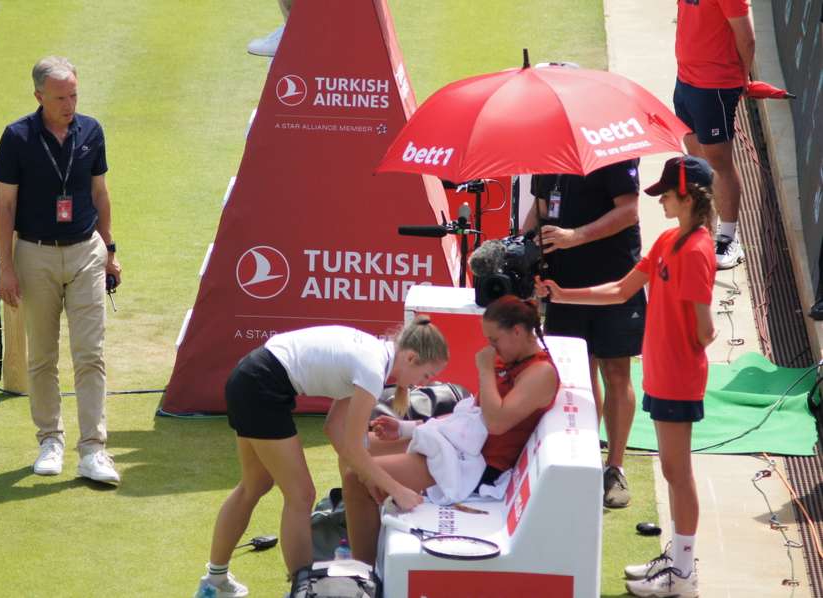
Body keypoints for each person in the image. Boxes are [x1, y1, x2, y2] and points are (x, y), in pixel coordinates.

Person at [536, 155, 717, 598]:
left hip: (677, 377)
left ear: (688, 195)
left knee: (677, 471)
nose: (659, 202)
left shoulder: (696, 251)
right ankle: (676, 561)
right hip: (660, 375)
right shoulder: (668, 242)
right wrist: (563, 295)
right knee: (674, 471)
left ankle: (684, 573)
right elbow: (620, 291)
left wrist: (675, 341)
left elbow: (706, 330)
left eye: (666, 195)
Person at [193, 319, 448, 598]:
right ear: (411, 357)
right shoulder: (372, 369)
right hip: (260, 387)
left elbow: (335, 429)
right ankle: (304, 590)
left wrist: (367, 476)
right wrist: (397, 489)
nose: (424, 383)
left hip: (250, 378)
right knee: (301, 495)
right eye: (426, 375)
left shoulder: (373, 358)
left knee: (254, 486)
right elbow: (353, 447)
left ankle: (214, 581)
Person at [342, 296, 559, 565]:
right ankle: (361, 527)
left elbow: (495, 422)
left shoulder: (541, 373)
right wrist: (406, 429)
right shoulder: (508, 360)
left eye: (494, 340)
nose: (490, 348)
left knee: (356, 478)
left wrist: (485, 370)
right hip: (458, 448)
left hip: (476, 466)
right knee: (358, 447)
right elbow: (467, 419)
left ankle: (362, 571)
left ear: (517, 331)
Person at [0, 56, 121, 485]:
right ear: (39, 97)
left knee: (90, 354)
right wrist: (6, 267)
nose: (70, 104)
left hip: (86, 252)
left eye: (74, 95)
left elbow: (100, 194)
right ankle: (50, 440)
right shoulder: (16, 137)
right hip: (35, 254)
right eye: (61, 97)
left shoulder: (91, 131)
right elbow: (5, 207)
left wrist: (111, 250)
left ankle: (94, 451)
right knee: (43, 356)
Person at [525, 159, 645, 509]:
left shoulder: (612, 151)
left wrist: (574, 236)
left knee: (616, 371)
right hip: (563, 284)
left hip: (614, 282)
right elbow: (542, 210)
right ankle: (587, 457)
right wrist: (524, 251)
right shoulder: (548, 154)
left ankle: (615, 467)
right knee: (577, 374)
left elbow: (629, 212)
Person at [674, 0, 755, 269]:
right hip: (685, 80)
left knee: (720, 164)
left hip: (714, 86)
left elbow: (746, 37)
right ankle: (704, 231)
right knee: (697, 159)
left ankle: (729, 238)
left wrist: (743, 78)